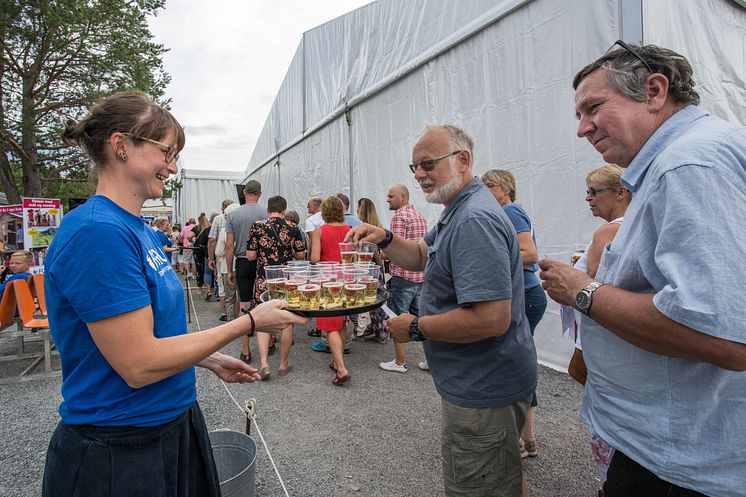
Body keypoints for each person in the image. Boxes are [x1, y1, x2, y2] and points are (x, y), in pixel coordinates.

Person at [43, 91, 307, 497]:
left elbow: (154, 334)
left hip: (169, 421)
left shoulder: (141, 230)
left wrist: (207, 357)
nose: (173, 165)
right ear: (121, 146)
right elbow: (138, 363)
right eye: (167, 151)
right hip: (120, 443)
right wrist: (250, 322)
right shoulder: (98, 232)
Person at [539, 43, 746, 497]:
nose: (581, 129)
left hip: (678, 465)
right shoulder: (681, 160)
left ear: (654, 91)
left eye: (593, 107)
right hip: (675, 451)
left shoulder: (689, 164)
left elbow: (725, 336)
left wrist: (582, 290)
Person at [349, 124, 537, 496]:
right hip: (483, 382)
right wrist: (384, 237)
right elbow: (421, 256)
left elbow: (491, 317)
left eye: (428, 164)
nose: (419, 174)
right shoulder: (460, 208)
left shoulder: (474, 219)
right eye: (414, 167)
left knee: (480, 487)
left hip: (485, 387)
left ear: (462, 160)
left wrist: (416, 327)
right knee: (502, 480)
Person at [561, 164, 631, 486]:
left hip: (597, 335)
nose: (588, 199)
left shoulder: (607, 233)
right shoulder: (633, 226)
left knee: (585, 376)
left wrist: (574, 280)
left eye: (594, 191)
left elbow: (601, 294)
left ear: (621, 192)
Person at [481, 168, 547, 459]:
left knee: (516, 362)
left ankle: (523, 438)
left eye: (490, 185)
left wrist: (487, 257)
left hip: (526, 295)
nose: (485, 189)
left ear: (506, 189)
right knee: (518, 360)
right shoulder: (509, 212)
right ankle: (527, 437)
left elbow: (530, 254)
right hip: (524, 295)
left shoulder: (512, 212)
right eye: (482, 185)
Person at [247, 195, 306, 380]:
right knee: (287, 320)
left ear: (268, 209)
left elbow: (250, 255)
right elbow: (300, 255)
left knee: (262, 319)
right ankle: (282, 364)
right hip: (286, 280)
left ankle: (264, 363)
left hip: (264, 278)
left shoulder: (258, 226)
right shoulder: (293, 227)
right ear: (284, 209)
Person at [378, 184, 428, 373]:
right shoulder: (419, 216)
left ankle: (400, 362)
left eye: (391, 196)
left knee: (397, 317)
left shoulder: (400, 217)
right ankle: (430, 360)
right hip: (420, 276)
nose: (388, 199)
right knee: (422, 319)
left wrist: (378, 253)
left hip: (404, 276)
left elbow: (396, 250)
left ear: (403, 197)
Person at [310, 196, 352, 385]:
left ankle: (342, 369)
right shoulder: (349, 230)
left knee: (331, 326)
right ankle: (336, 362)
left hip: (328, 280)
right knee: (341, 321)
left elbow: (315, 258)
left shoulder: (320, 231)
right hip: (346, 278)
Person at [225, 180, 267, 363]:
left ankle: (246, 351)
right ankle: (269, 343)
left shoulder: (233, 215)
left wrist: (229, 270)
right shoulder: (266, 212)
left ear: (244, 194)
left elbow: (229, 245)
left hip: (242, 261)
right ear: (259, 193)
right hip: (262, 262)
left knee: (244, 305)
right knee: (265, 303)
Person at [208, 199, 235, 320]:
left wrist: (211, 258)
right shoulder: (242, 225)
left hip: (224, 261)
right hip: (239, 261)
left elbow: (212, 241)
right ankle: (241, 315)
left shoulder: (219, 222)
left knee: (224, 289)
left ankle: (226, 314)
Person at [215, 203, 240, 322]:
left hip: (227, 267)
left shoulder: (224, 231)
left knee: (230, 297)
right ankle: (243, 321)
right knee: (242, 296)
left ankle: (231, 321)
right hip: (242, 265)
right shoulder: (245, 229)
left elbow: (219, 251)